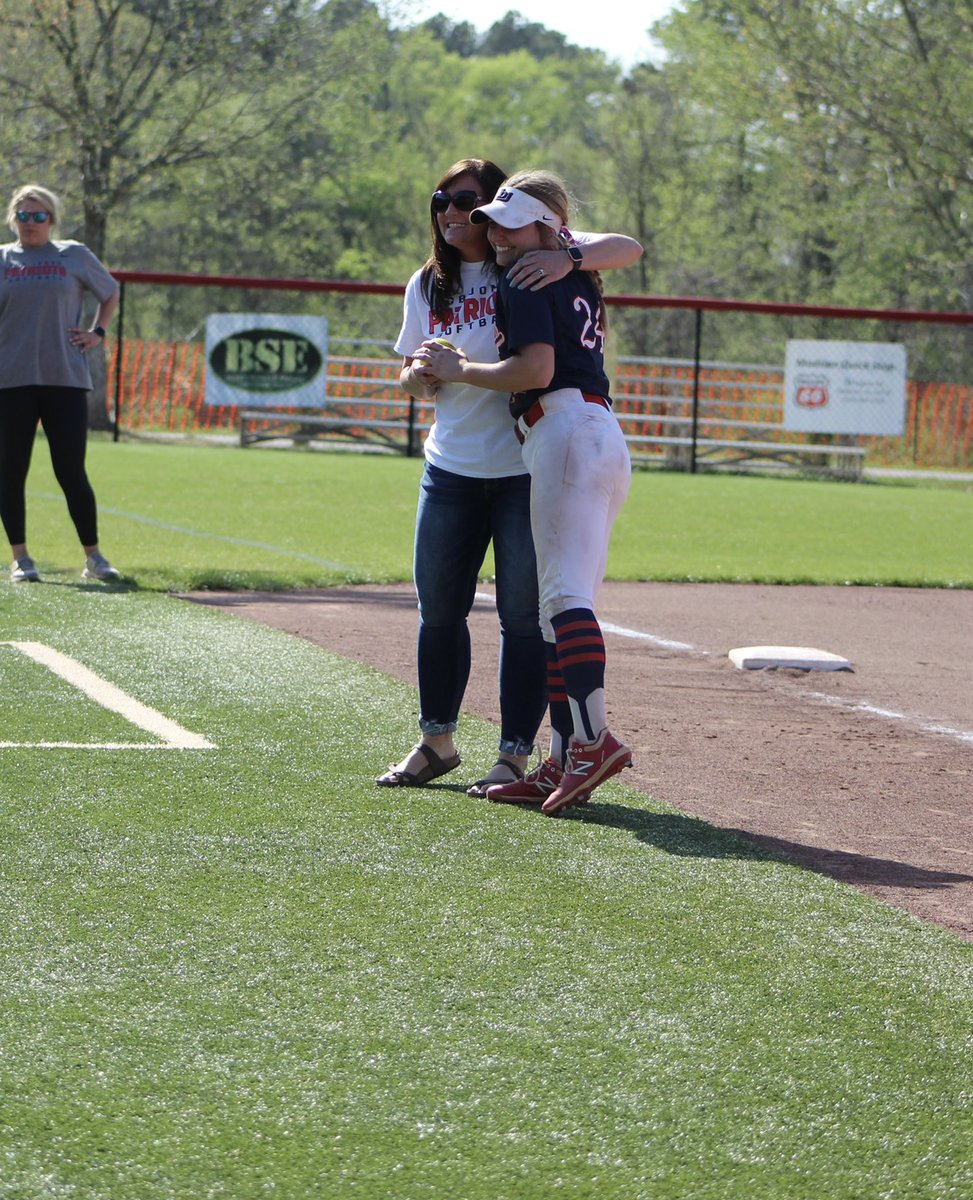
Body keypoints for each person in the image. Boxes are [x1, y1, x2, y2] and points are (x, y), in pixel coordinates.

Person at [376, 159, 642, 795]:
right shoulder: (433, 281)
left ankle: (546, 751)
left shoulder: (525, 263)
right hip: (470, 458)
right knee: (450, 609)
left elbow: (625, 248)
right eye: (443, 201)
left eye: (471, 202)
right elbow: (412, 371)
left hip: (533, 455)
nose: (457, 214)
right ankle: (453, 742)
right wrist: (423, 375)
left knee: (540, 613)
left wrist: (565, 256)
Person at [0, 183, 121, 584]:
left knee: (70, 470)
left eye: (39, 216)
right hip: (11, 381)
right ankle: (21, 559)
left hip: (64, 379)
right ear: (12, 219)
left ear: (51, 219)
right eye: (23, 215)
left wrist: (98, 332)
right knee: (10, 471)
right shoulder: (3, 258)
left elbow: (110, 291)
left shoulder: (74, 254)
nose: (30, 222)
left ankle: (94, 557)